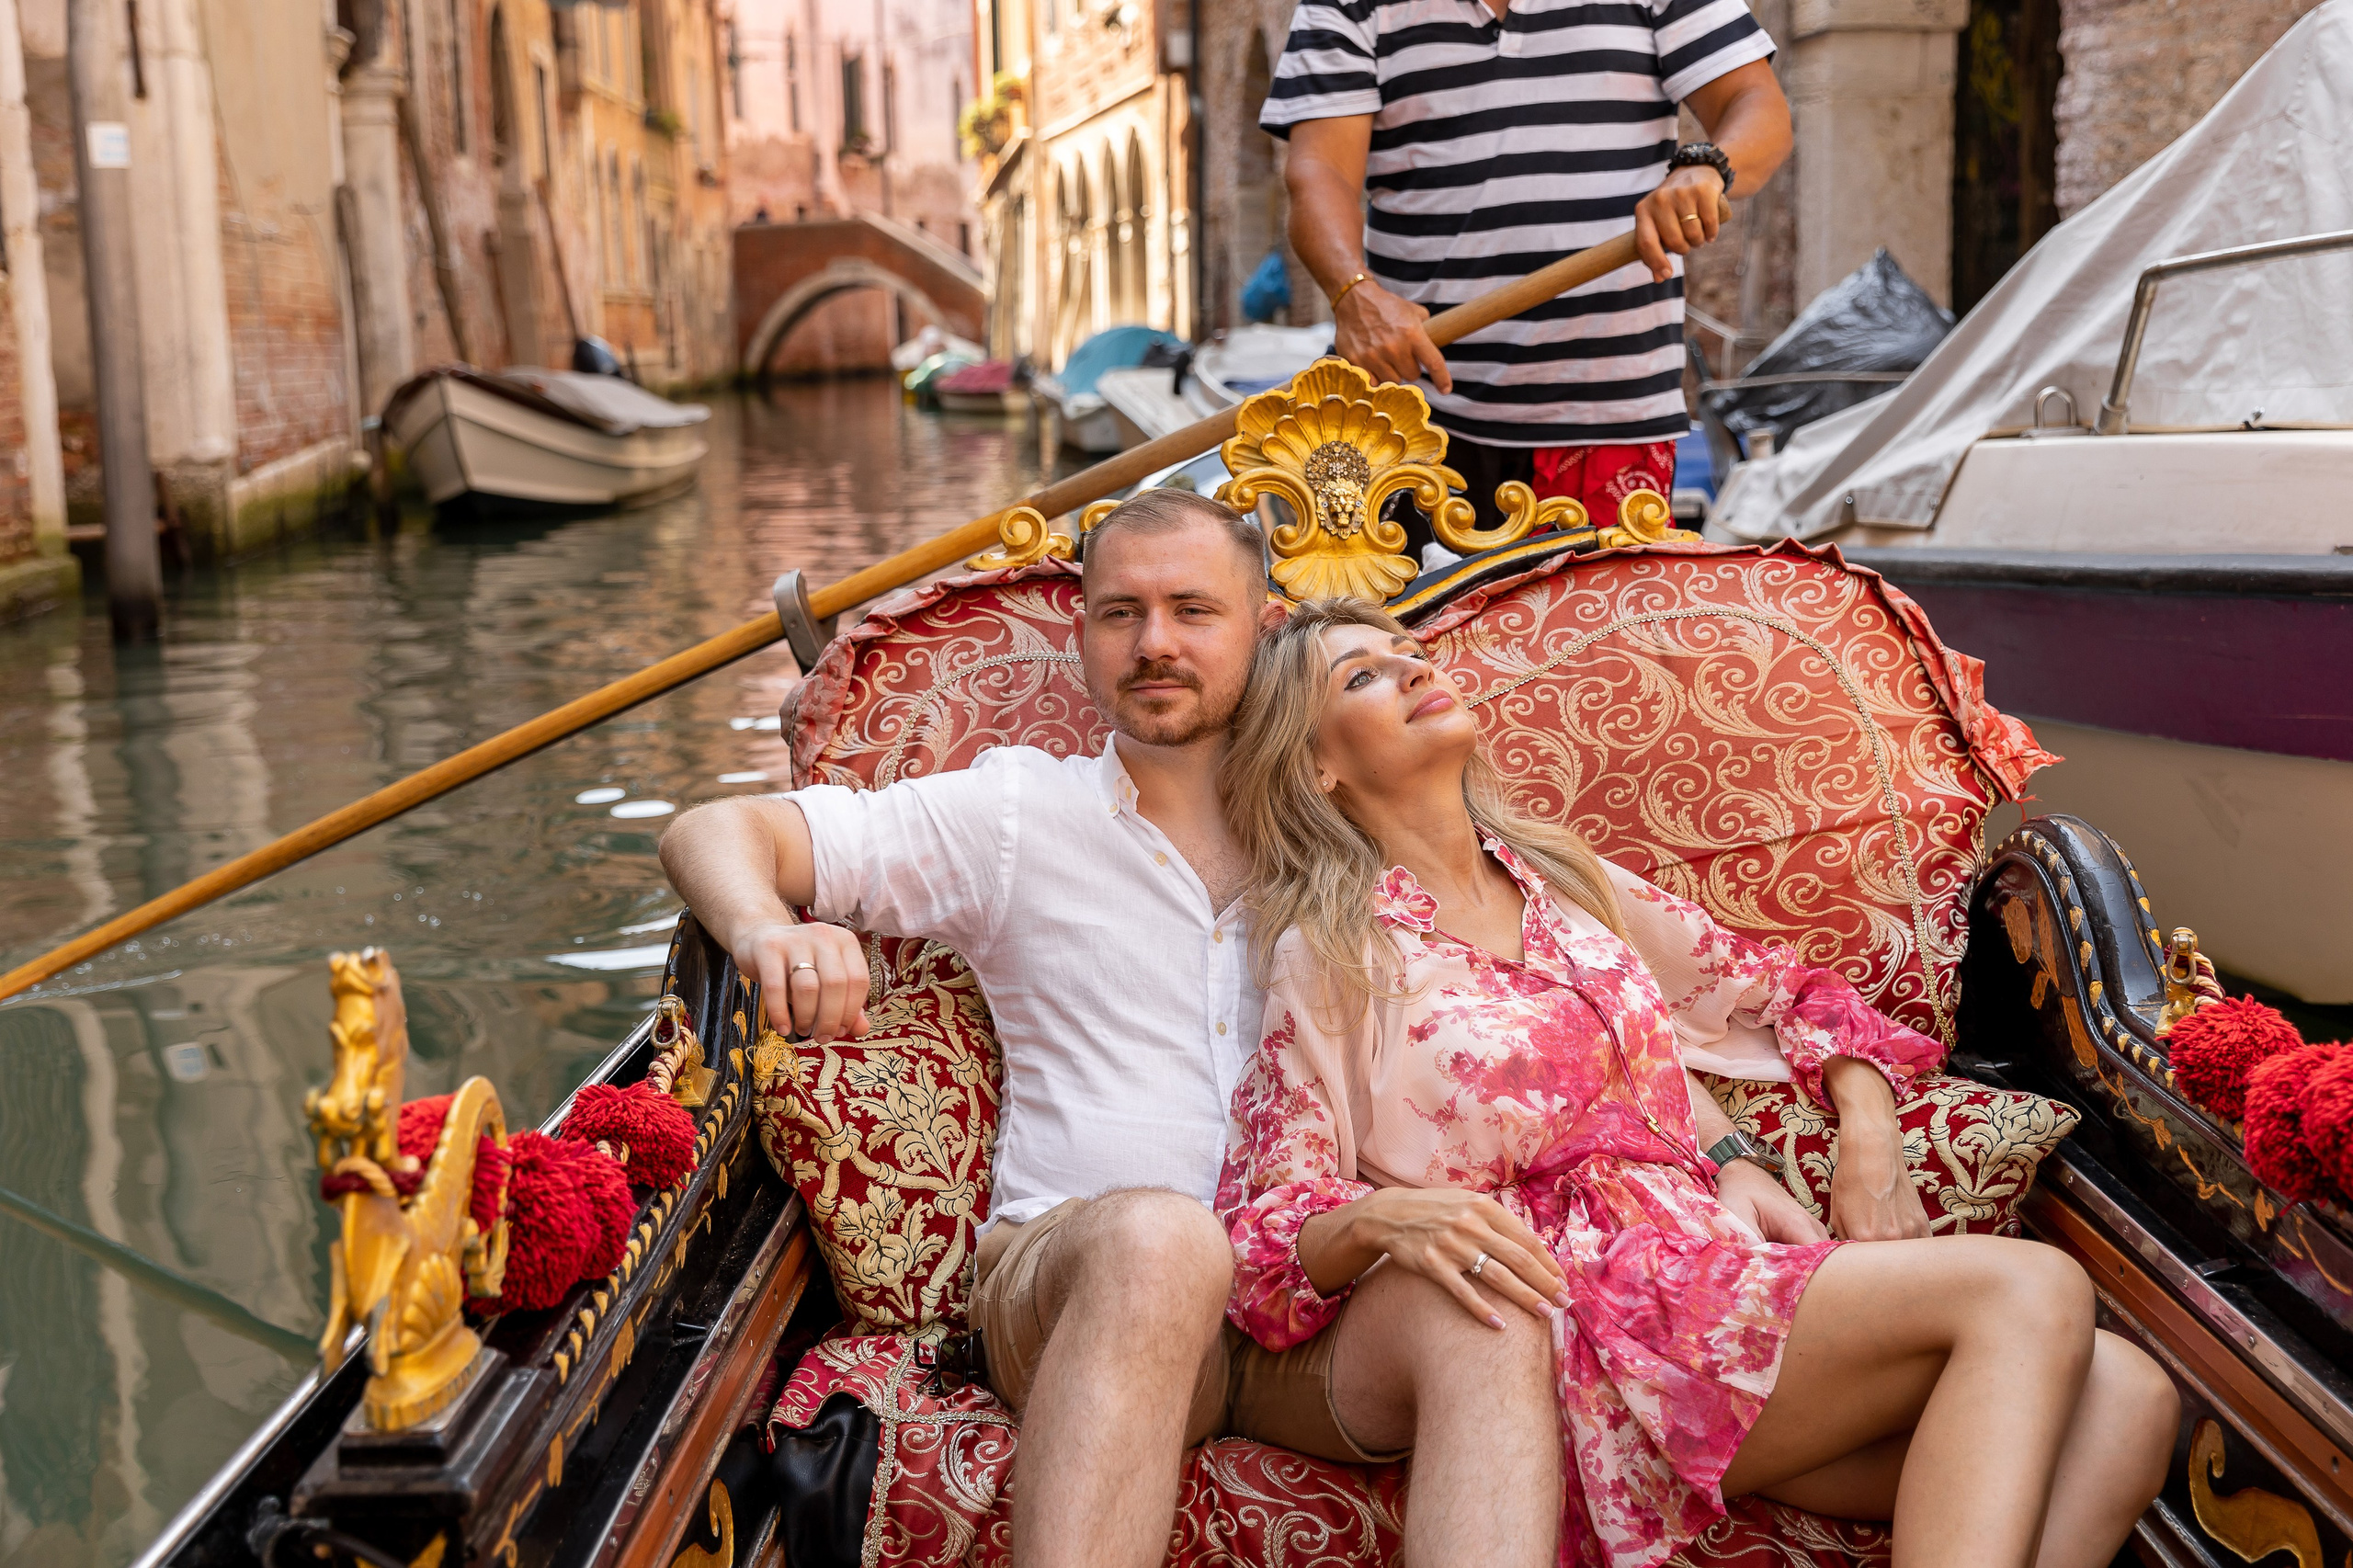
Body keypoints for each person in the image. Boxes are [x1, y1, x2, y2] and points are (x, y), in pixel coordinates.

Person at [657, 492, 1572, 1568]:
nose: (1155, 645)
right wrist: (767, 927)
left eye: (1193, 609)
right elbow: (713, 828)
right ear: (1081, 632)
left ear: (1265, 625)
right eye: (1118, 613)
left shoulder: (1355, 825)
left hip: (1307, 1303)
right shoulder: (1015, 817)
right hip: (1080, 1279)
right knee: (1163, 1239)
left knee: (1490, 1302)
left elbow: (1596, 984)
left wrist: (1765, 1126)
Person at [1213, 597, 2181, 1568]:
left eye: (1408, 652)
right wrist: (1393, 1218)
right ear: (1314, 765)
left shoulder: (1567, 880)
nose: (1414, 669)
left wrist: (1860, 1127)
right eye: (1363, 676)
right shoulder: (1333, 950)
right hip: (1584, 1319)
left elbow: (1790, 993)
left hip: (1708, 1276)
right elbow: (1266, 1236)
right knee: (2029, 1286)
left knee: (2127, 1399)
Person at [1264, 0, 1793, 551]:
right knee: (1389, 636)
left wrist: (1708, 167)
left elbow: (1755, 105)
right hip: (1407, 414)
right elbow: (1320, 170)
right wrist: (1354, 294)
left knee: (1593, 637)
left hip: (1606, 416)